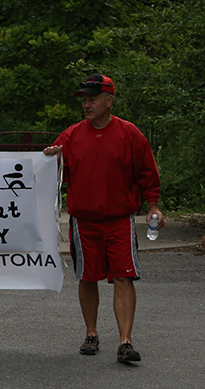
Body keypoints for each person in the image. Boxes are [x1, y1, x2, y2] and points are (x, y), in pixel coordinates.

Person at [44, 74, 165, 363]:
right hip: (83, 221)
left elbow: (147, 172)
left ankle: (125, 342)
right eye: (84, 99)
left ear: (109, 101)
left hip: (119, 219)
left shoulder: (130, 134)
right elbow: (52, 173)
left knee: (124, 276)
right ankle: (91, 333)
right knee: (87, 277)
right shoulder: (71, 136)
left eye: (92, 99)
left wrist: (153, 206)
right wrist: (50, 158)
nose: (86, 104)